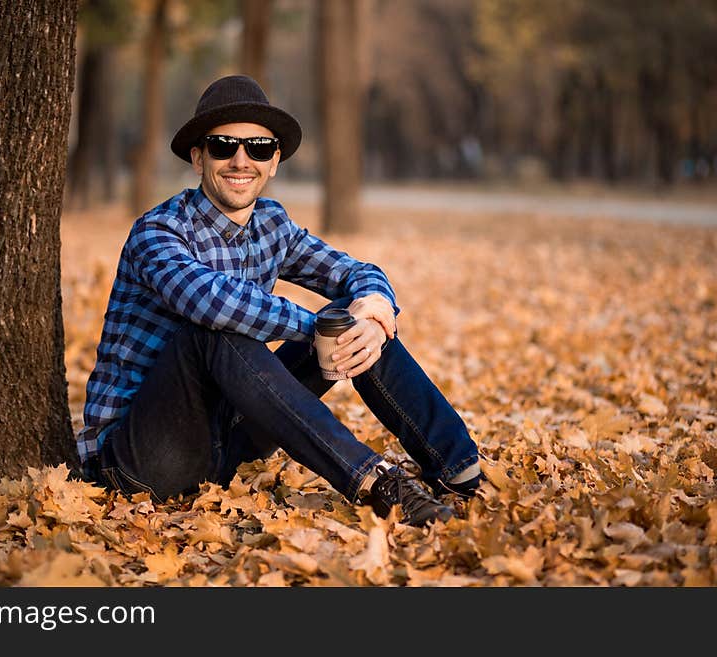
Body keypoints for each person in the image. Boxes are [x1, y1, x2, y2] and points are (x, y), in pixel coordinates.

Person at [77, 75, 483, 527]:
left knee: (352, 317)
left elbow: (355, 272)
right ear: (197, 157)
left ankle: (458, 470)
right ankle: (376, 483)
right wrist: (317, 329)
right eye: (222, 145)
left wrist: (375, 308)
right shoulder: (159, 231)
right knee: (216, 332)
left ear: (274, 163)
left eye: (258, 147)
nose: (240, 160)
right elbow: (211, 302)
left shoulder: (272, 224)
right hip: (143, 458)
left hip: (227, 446)